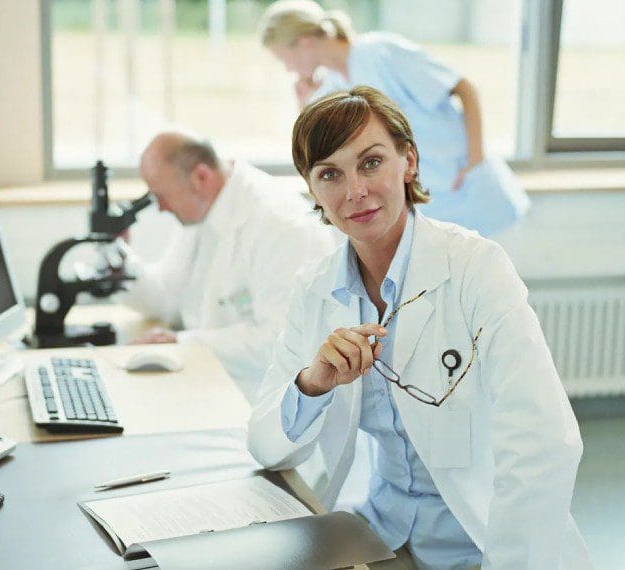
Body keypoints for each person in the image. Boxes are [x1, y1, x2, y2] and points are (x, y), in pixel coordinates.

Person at [247, 87, 591, 569]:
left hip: (482, 541)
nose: (355, 192)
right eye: (330, 174)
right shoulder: (316, 289)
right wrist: (313, 383)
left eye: (371, 163)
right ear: (312, 190)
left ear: (408, 161)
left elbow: (545, 443)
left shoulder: (476, 269)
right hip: (377, 533)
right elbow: (264, 444)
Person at [259, 1, 530, 237]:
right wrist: (304, 105)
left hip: (470, 187)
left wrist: (475, 161)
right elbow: (322, 152)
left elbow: (465, 89)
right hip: (432, 204)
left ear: (304, 43)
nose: (289, 69)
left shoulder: (380, 52)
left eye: (285, 58)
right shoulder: (332, 86)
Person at [120, 130, 336, 400]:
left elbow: (280, 341)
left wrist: (183, 342)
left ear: (201, 177)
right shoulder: (202, 213)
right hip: (213, 382)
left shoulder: (280, 225)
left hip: (264, 400)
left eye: (160, 195)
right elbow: (168, 299)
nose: (160, 207)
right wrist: (117, 257)